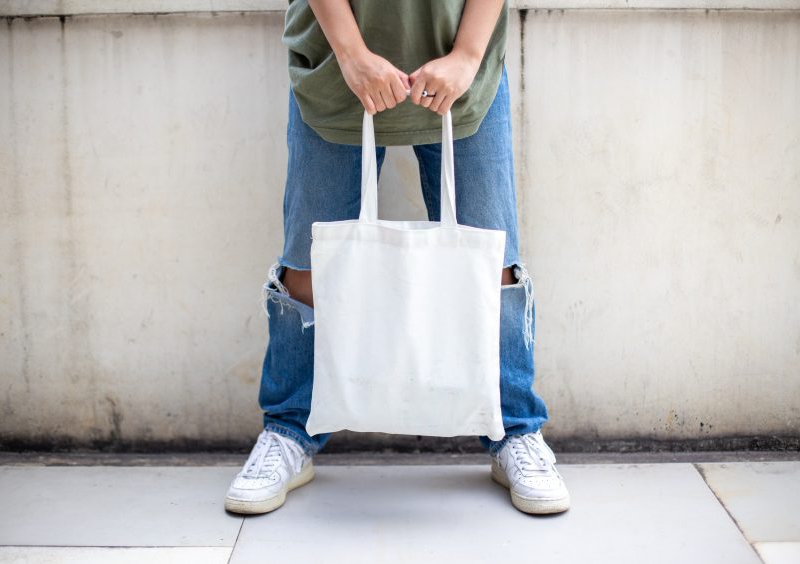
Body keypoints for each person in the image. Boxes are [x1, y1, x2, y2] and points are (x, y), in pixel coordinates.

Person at [224, 0, 570, 516]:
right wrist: (351, 54)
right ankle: (289, 431)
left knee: (493, 263)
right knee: (307, 266)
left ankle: (514, 430)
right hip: (335, 67)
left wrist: (469, 54)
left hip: (461, 67)